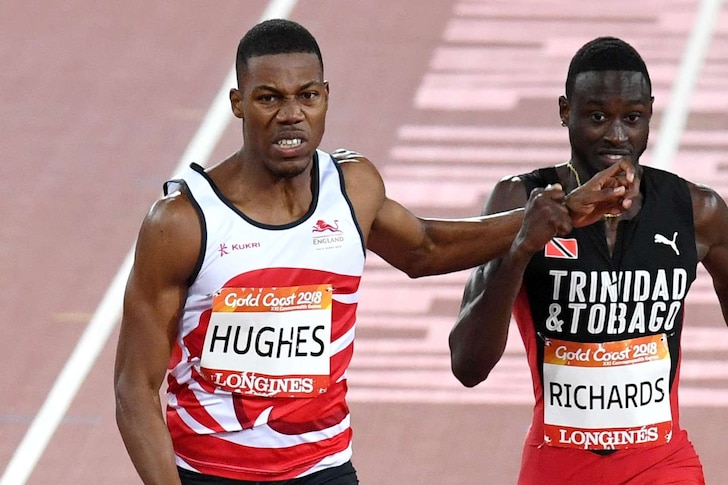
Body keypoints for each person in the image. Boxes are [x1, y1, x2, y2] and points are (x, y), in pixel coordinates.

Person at [113, 19, 636, 485]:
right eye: (269, 98)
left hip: (324, 471)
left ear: (325, 98)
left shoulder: (352, 188)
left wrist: (553, 217)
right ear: (237, 103)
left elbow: (425, 248)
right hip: (211, 474)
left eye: (307, 96)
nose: (291, 114)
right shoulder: (183, 222)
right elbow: (135, 389)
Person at [448, 37, 728, 485]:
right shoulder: (522, 201)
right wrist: (520, 250)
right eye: (596, 116)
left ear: (649, 113)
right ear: (565, 112)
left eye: (632, 118)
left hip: (662, 463)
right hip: (559, 464)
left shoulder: (695, 210)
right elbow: (468, 365)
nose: (616, 134)